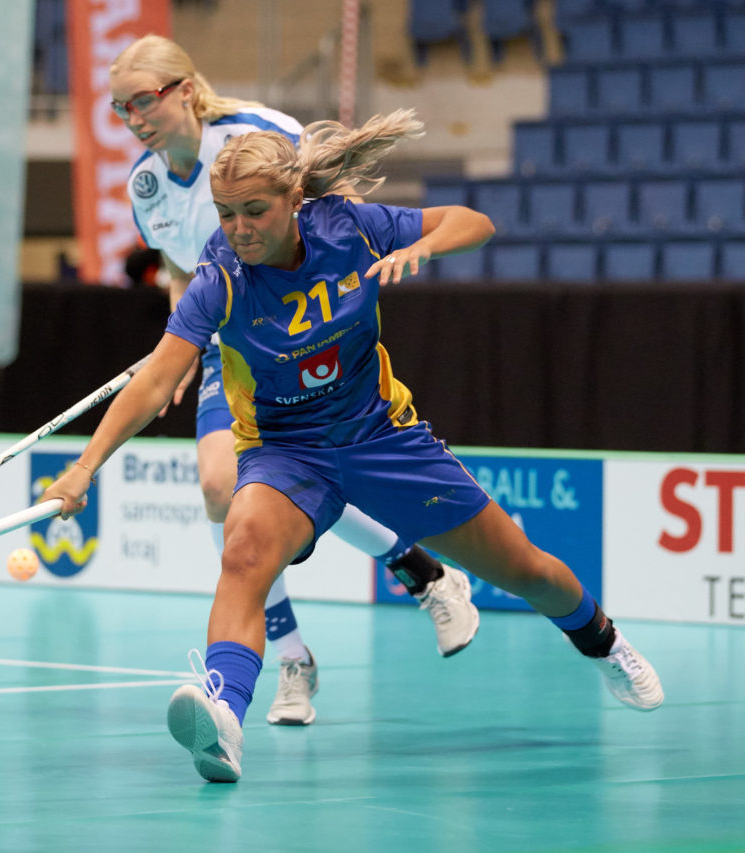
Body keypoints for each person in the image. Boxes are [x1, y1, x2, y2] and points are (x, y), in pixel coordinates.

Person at [41, 115, 664, 784]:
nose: (239, 228)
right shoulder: (220, 279)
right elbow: (157, 378)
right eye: (226, 214)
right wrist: (83, 467)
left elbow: (473, 223)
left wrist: (420, 249)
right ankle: (224, 713)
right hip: (287, 451)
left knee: (529, 572)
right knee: (244, 547)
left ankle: (604, 642)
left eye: (255, 211)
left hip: (380, 437)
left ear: (294, 202)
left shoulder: (349, 228)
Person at [110, 34, 477, 727]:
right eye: (119, 107)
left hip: (308, 331)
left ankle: (419, 570)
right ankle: (295, 656)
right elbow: (182, 273)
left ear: (185, 89)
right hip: (229, 345)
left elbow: (330, 225)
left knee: (279, 479)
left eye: (143, 100)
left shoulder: (260, 134)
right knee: (228, 493)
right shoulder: (145, 185)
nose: (132, 116)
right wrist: (183, 343)